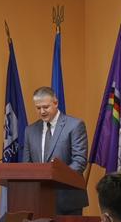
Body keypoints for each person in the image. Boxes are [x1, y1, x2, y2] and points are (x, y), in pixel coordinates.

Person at [22, 86, 88, 215]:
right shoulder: (30, 130)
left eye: (45, 107)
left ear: (56, 103)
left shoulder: (75, 125)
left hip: (67, 200)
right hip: (39, 199)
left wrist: (54, 179)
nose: (42, 111)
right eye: (38, 108)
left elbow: (79, 161)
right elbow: (27, 164)